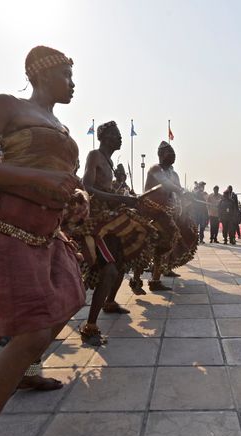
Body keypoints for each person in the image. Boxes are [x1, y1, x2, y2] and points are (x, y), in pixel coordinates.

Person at [0, 46, 84, 436]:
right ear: (40, 73)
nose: (73, 83)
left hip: (44, 231)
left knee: (68, 300)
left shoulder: (59, 124)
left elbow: (60, 176)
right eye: (67, 74)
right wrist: (38, 180)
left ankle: (18, 369)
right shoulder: (6, 106)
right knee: (32, 333)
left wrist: (77, 194)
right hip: (1, 228)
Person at [79, 121, 153, 335]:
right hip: (97, 222)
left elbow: (108, 190)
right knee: (109, 269)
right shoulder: (94, 155)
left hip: (112, 219)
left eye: (120, 135)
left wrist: (125, 198)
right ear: (103, 137)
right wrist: (117, 197)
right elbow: (88, 187)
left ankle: (109, 302)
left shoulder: (110, 162)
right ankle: (90, 325)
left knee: (122, 264)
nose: (120, 138)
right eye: (116, 135)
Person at [140, 141, 197, 289]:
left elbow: (177, 189)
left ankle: (165, 269)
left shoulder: (174, 173)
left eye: (174, 154)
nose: (173, 156)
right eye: (169, 153)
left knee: (183, 233)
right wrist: (181, 191)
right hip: (152, 211)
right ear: (160, 155)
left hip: (169, 211)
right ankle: (153, 278)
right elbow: (166, 184)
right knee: (160, 242)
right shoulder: (155, 169)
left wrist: (186, 199)